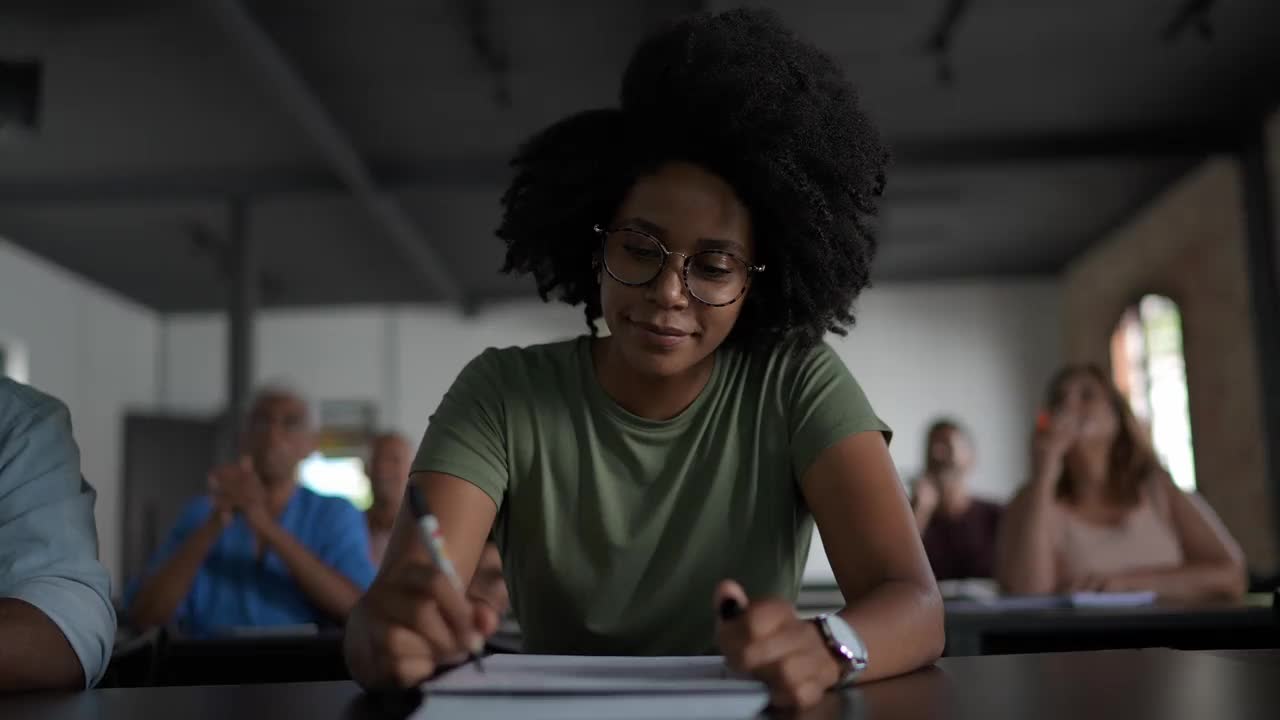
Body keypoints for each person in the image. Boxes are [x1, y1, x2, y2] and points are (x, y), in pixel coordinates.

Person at [344, 9, 943, 710]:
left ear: (758, 280)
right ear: (597, 247)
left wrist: (828, 648)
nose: (667, 292)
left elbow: (915, 604)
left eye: (713, 265)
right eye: (639, 248)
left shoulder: (796, 382)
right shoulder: (502, 392)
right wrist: (389, 635)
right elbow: (383, 618)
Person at [127, 387, 376, 635]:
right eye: (262, 422)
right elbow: (145, 615)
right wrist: (215, 522)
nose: (273, 434)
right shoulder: (201, 514)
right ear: (244, 438)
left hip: (307, 668)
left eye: (289, 423)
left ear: (310, 444)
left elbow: (359, 611)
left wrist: (264, 525)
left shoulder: (335, 514)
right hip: (207, 668)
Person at [996, 365, 1246, 601]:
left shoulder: (1159, 490)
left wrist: (1127, 583)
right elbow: (1029, 594)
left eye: (1087, 395)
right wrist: (1043, 475)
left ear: (1117, 417)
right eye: (1058, 399)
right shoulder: (1031, 501)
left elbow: (1232, 575)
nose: (1068, 405)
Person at [0, 378, 116, 691]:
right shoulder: (203, 516)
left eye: (267, 422)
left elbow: (63, 625)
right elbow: (150, 609)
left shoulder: (19, 424)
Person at [911, 419, 1002, 581]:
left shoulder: (997, 516)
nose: (936, 453)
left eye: (947, 445)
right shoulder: (913, 515)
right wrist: (920, 512)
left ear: (970, 458)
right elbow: (898, 570)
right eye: (931, 447)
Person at [365, 433, 412, 567]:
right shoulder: (349, 527)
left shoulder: (429, 530)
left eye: (394, 460)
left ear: (413, 468)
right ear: (366, 469)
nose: (383, 469)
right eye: (377, 460)